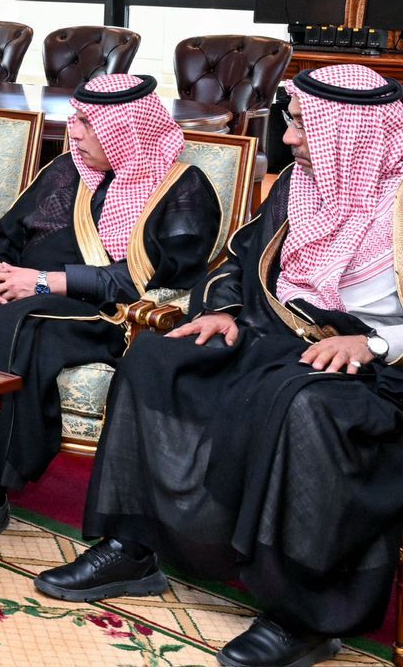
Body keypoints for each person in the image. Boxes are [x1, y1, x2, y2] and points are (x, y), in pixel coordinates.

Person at [37, 65, 403, 667]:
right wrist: (226, 310)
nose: (289, 139)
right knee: (155, 359)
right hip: (277, 339)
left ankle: (304, 616)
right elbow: (241, 259)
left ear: (348, 133)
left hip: (375, 372)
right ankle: (133, 546)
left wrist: (375, 346)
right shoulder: (299, 184)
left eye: (304, 126)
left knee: (305, 408)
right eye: (292, 123)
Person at [0, 73, 221, 550]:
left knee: (8, 334)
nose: (74, 132)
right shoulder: (65, 171)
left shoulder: (182, 188)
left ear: (126, 129)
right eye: (75, 119)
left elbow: (151, 278)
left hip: (96, 311)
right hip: (18, 286)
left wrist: (38, 282)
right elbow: (4, 235)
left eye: (88, 123)